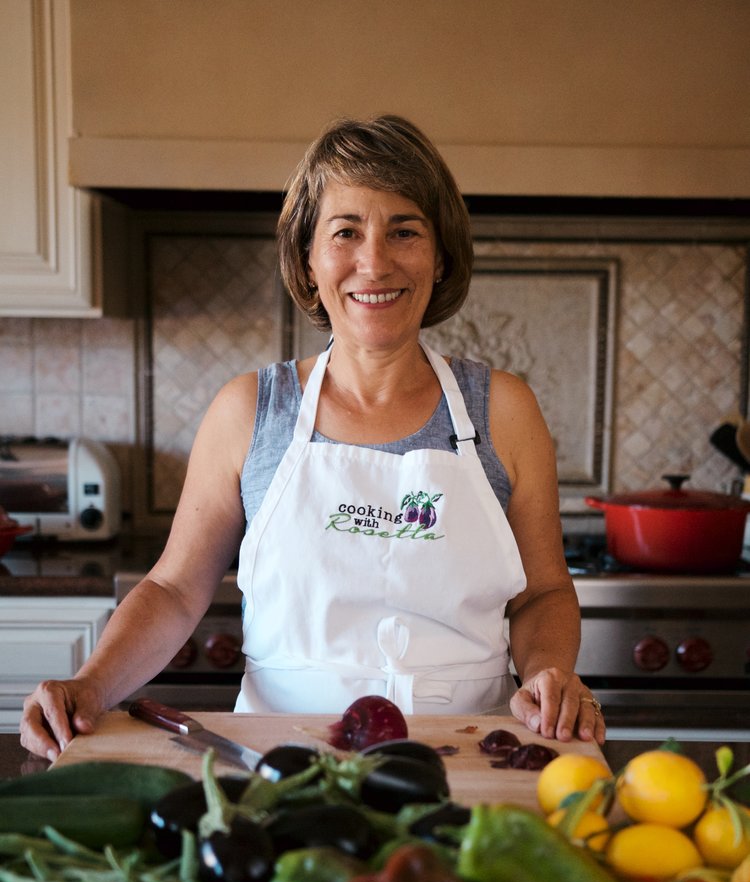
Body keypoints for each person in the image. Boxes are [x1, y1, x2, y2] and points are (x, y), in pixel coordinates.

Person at [20, 114, 604, 761]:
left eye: (404, 231)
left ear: (440, 257)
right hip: (282, 763)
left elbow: (544, 591)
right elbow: (174, 590)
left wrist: (549, 672)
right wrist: (92, 684)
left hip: (468, 758)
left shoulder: (505, 411)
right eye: (346, 232)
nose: (374, 262)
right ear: (309, 258)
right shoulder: (249, 411)